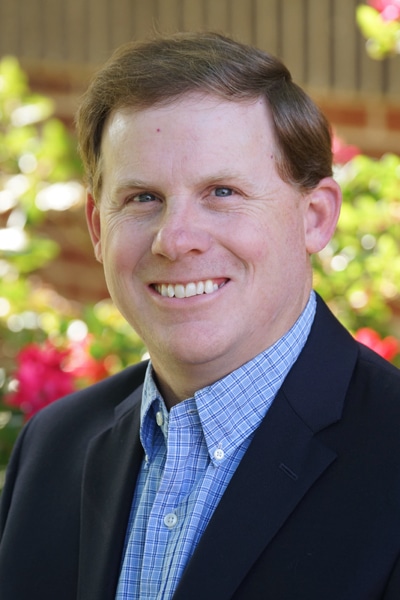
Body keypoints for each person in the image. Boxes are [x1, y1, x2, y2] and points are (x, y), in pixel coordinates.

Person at [1, 31, 400, 600]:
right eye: (142, 198)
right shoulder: (53, 446)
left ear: (315, 217)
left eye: (222, 191)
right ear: (97, 227)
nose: (176, 239)